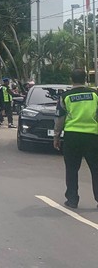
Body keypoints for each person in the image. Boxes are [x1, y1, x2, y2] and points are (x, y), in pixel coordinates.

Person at [53, 68, 98, 209]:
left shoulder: (66, 96)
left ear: (71, 80)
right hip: (92, 136)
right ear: (86, 79)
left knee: (72, 169)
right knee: (96, 169)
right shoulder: (95, 94)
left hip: (72, 136)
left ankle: (72, 200)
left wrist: (56, 136)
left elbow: (60, 118)